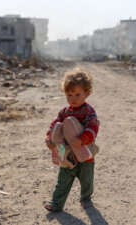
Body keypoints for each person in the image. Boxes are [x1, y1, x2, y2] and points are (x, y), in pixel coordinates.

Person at [44, 68, 100, 212]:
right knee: (62, 181)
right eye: (69, 95)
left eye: (77, 94)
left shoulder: (88, 111)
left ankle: (86, 199)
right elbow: (53, 125)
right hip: (67, 153)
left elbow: (93, 127)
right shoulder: (64, 112)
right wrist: (49, 138)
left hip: (84, 152)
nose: (73, 99)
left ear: (87, 93)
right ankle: (56, 203)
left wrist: (82, 139)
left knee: (86, 181)